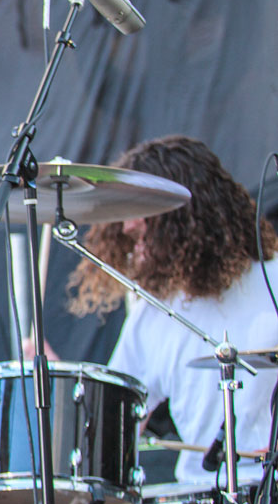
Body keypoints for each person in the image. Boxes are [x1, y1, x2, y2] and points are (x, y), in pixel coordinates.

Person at [68, 134, 278, 485]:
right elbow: (115, 419)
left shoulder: (273, 281)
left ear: (184, 215)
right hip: (197, 498)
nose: (128, 226)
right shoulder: (153, 310)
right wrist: (62, 392)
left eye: (142, 211)